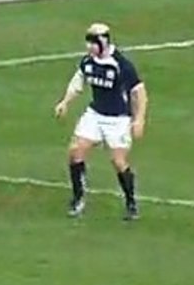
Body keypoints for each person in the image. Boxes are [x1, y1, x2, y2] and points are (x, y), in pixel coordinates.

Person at [54, 23, 148, 221]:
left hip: (118, 120)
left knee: (118, 161)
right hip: (95, 114)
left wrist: (139, 119)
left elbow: (139, 92)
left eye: (92, 44)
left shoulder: (121, 64)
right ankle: (78, 197)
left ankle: (131, 202)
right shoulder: (88, 62)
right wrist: (65, 102)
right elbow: (77, 83)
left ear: (103, 42)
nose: (89, 48)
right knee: (75, 151)